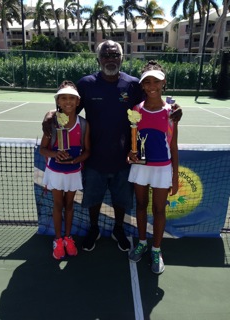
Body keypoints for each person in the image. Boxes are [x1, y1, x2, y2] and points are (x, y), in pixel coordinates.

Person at [42, 40, 182, 253]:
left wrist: (175, 107)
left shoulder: (134, 84)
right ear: (98, 59)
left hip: (125, 159)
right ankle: (94, 229)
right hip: (93, 158)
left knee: (121, 201)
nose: (111, 59)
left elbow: (156, 100)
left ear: (122, 58)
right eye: (106, 55)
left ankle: (118, 229)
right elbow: (65, 105)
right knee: (94, 199)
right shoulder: (86, 84)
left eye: (115, 55)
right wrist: (50, 114)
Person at [127, 61, 179, 274]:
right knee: (140, 206)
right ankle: (141, 242)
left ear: (163, 83)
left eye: (156, 81)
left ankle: (156, 250)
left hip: (162, 169)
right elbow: (133, 142)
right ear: (142, 85)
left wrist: (175, 176)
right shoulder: (136, 110)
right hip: (141, 168)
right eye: (147, 82)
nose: (151, 86)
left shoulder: (172, 111)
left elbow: (173, 145)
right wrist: (130, 153)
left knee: (159, 210)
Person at [39, 80, 90, 260]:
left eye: (71, 98)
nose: (68, 102)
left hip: (73, 172)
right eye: (63, 98)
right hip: (55, 172)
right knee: (58, 205)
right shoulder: (51, 124)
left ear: (78, 102)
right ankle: (58, 239)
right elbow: (42, 149)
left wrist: (77, 159)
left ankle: (68, 238)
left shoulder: (83, 124)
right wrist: (54, 154)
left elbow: (87, 150)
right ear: (58, 102)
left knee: (69, 206)